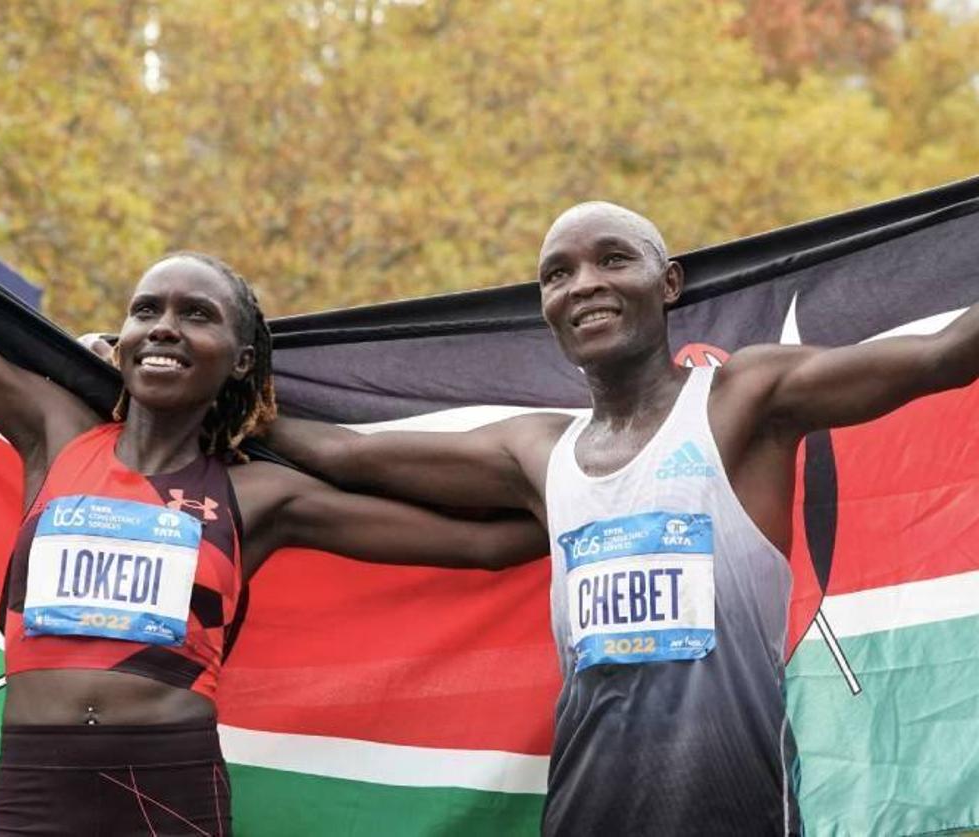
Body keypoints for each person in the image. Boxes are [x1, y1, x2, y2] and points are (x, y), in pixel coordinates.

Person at [0, 198, 548, 836]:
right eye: (146, 309)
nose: (165, 326)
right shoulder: (54, 432)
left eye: (197, 314)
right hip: (32, 784)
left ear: (241, 358)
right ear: (120, 340)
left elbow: (481, 545)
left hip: (166, 788)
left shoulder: (257, 497)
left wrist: (594, 500)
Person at [263, 201, 979, 836]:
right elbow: (352, 455)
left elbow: (941, 356)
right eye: (558, 274)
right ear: (545, 307)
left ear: (667, 283)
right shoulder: (539, 451)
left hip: (739, 809)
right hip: (583, 811)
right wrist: (245, 414)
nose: (585, 283)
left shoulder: (743, 400)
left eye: (613, 258)